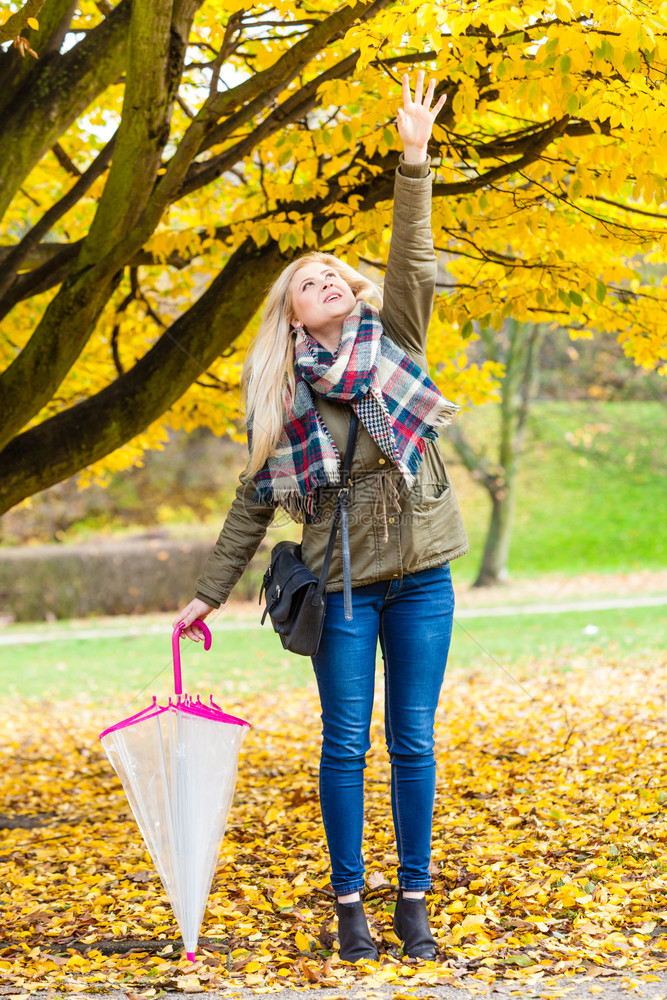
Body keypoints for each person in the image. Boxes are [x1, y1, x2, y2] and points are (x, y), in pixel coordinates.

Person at [175, 71, 468, 963]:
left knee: (410, 741)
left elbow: (411, 259)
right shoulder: (278, 399)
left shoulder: (398, 346)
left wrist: (413, 160)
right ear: (292, 315)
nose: (331, 282)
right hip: (341, 589)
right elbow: (250, 506)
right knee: (344, 744)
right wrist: (206, 595)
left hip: (420, 577)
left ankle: (412, 900)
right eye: (312, 281)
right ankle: (351, 909)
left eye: (338, 274)